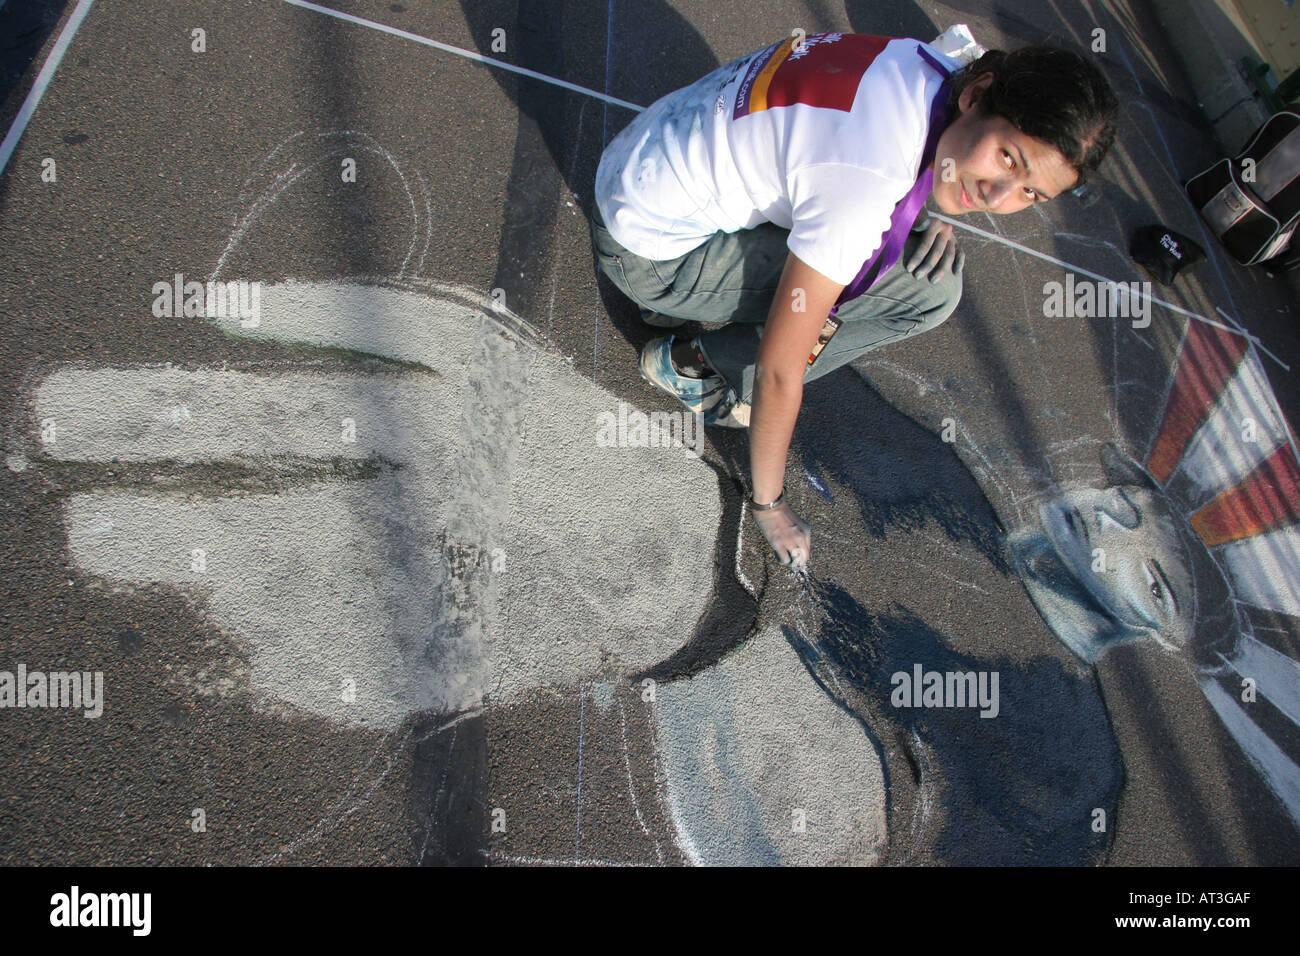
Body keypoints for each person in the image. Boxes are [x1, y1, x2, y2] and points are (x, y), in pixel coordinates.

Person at [590, 30, 1117, 569]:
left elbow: (864, 148)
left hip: (636, 165)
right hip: (651, 256)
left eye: (1031, 193)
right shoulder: (865, 182)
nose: (998, 197)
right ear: (977, 95)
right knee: (930, 292)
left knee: (890, 246)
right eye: (1008, 159)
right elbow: (779, 369)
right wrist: (769, 504)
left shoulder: (928, 61)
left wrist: (923, 206)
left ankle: (693, 307)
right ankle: (695, 364)